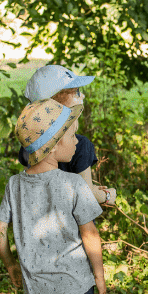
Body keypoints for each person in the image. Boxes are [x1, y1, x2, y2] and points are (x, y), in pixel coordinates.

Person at [0, 98, 107, 294]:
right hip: (76, 286)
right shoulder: (73, 183)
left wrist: (10, 264)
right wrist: (98, 274)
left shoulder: (14, 184)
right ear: (52, 147)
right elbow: (90, 233)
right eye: (72, 136)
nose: (77, 142)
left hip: (36, 293)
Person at [16, 65, 117, 206]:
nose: (82, 96)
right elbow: (86, 194)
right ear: (56, 104)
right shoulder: (81, 145)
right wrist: (106, 196)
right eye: (76, 92)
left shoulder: (32, 142)